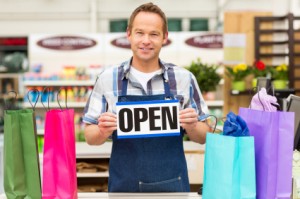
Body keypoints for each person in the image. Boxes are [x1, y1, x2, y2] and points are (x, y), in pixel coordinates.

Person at [83, 2, 210, 192]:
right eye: (140, 33)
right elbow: (89, 136)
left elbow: (203, 136)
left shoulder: (184, 79)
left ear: (165, 37)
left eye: (154, 34)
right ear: (129, 34)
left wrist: (192, 126)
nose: (146, 40)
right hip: (123, 189)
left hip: (172, 187)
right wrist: (102, 131)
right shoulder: (108, 79)